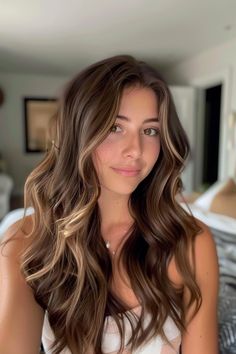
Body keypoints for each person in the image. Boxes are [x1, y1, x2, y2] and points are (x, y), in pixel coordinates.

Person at [0, 55, 219, 354]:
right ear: (79, 133)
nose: (136, 150)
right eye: (115, 127)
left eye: (150, 130)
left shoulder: (191, 242)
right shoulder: (26, 241)